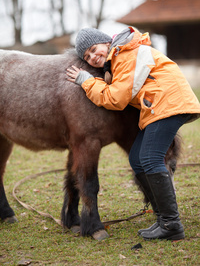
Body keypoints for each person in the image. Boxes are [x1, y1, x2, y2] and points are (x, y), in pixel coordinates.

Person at [66, 26, 200, 241]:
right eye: (87, 56)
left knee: (150, 159)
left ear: (106, 42)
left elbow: (116, 100)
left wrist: (87, 81)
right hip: (157, 105)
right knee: (137, 159)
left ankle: (171, 224)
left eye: (94, 49)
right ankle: (162, 219)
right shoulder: (120, 56)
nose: (92, 57)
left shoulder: (126, 54)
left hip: (166, 104)